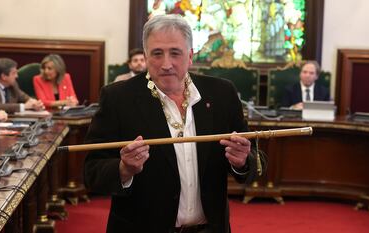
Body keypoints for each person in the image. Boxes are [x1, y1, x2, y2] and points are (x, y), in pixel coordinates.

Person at [84, 14, 261, 233]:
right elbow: (91, 172)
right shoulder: (118, 98)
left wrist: (241, 161)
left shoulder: (222, 94)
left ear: (190, 56)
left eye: (175, 53)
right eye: (157, 54)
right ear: (146, 57)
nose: (166, 64)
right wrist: (124, 169)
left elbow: (254, 161)